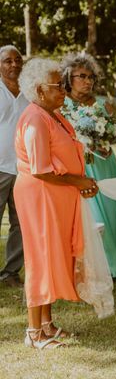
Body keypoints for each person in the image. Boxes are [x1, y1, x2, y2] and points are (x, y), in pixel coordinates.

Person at [14, 59, 98, 349]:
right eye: (57, 86)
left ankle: (47, 324)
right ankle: (34, 332)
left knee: (52, 257)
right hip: (39, 197)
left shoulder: (52, 114)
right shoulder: (35, 117)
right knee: (40, 259)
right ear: (39, 90)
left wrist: (80, 183)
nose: (64, 90)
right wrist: (79, 183)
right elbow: (40, 169)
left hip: (56, 198)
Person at [60, 53, 116, 280]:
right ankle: (94, 269)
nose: (88, 81)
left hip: (104, 164)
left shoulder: (102, 104)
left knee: (112, 212)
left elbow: (113, 133)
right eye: (82, 76)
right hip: (79, 168)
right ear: (69, 78)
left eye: (91, 77)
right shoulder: (61, 105)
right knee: (88, 218)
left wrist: (107, 137)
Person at [0, 46, 29, 287]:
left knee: (20, 223)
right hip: (0, 166)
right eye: (7, 61)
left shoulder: (30, 90)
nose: (13, 65)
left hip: (24, 168)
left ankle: (11, 272)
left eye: (17, 60)